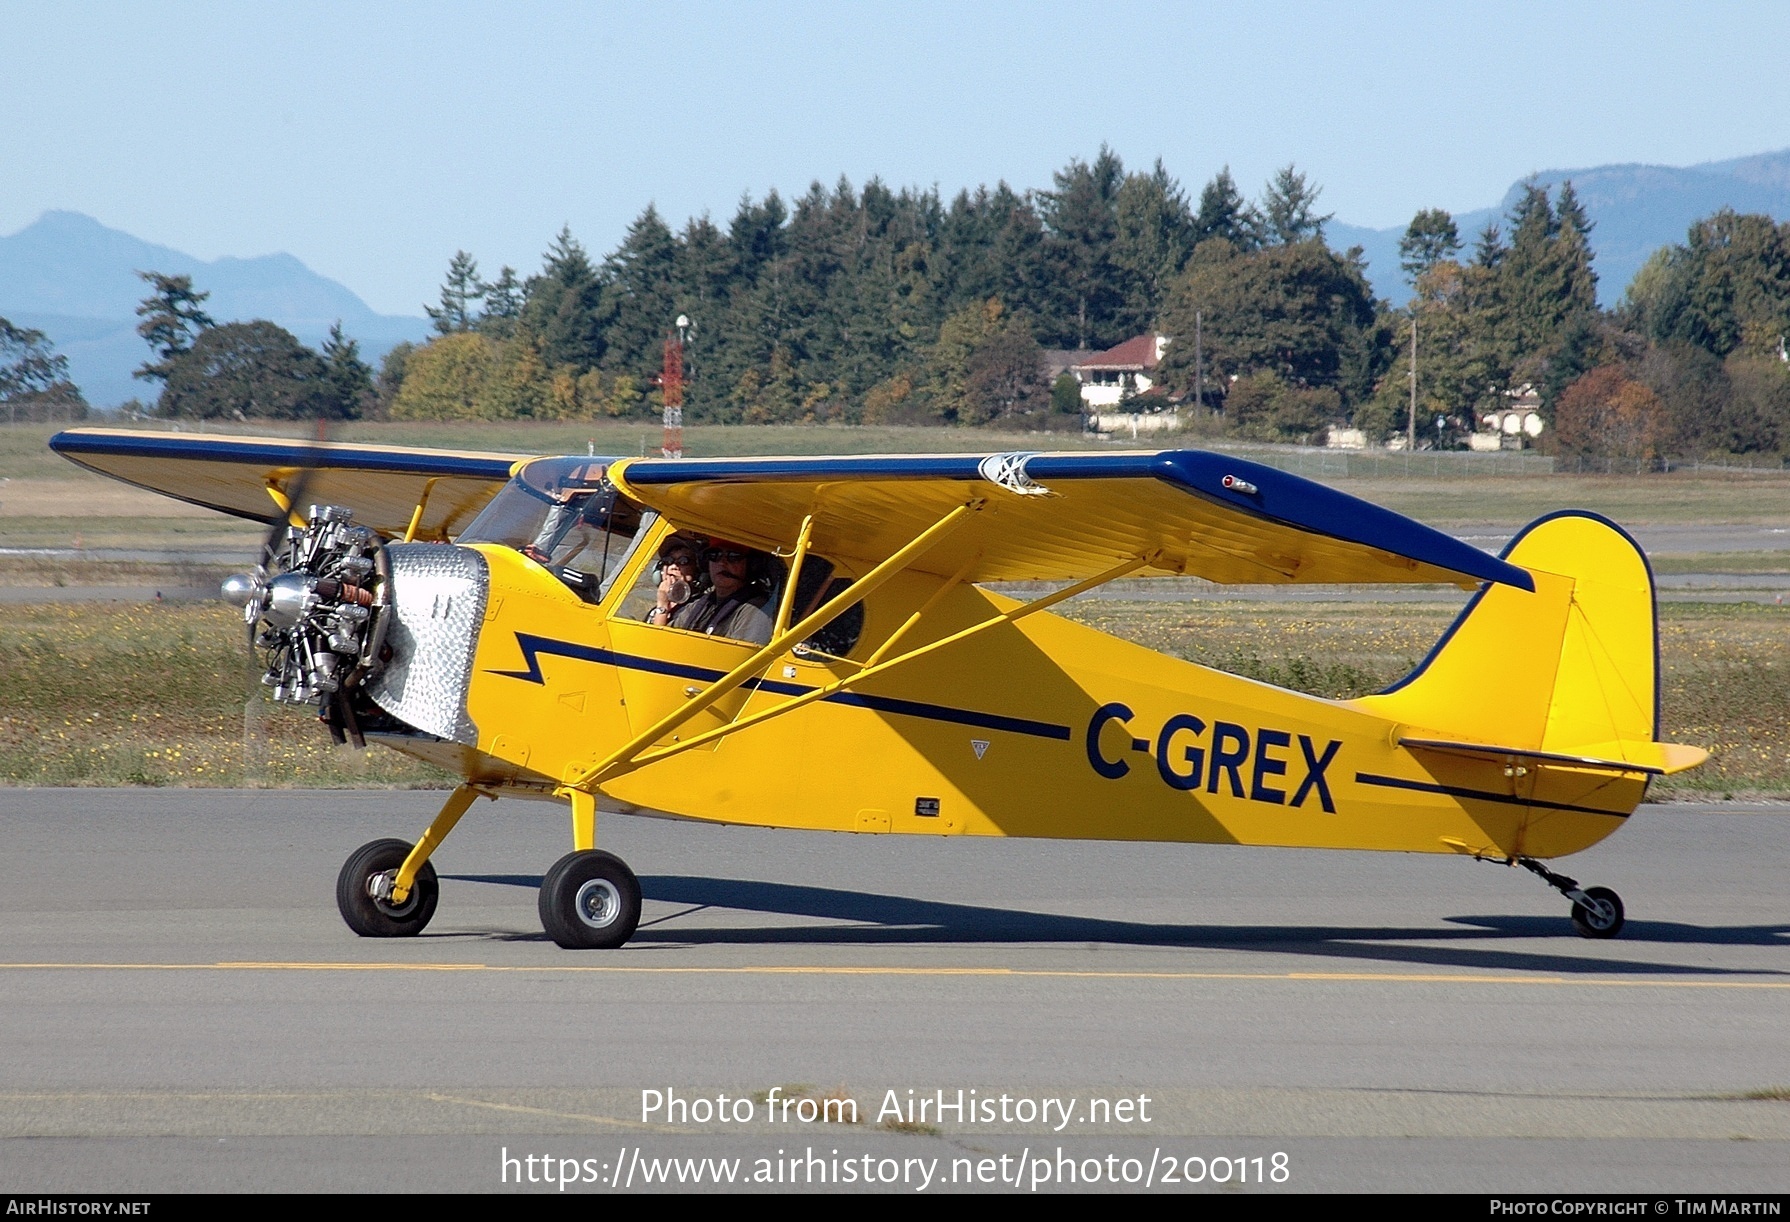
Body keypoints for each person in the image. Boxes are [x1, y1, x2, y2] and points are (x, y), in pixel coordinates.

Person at [669, 540, 775, 645]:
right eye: (714, 555)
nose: (721, 563)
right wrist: (663, 605)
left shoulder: (756, 609)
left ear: (751, 565)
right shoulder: (699, 605)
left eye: (733, 556)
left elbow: (737, 658)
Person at [643, 536, 706, 625]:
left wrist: (662, 607)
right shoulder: (655, 610)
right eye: (668, 560)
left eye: (683, 561)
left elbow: (657, 637)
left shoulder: (698, 608)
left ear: (698, 570)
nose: (673, 566)